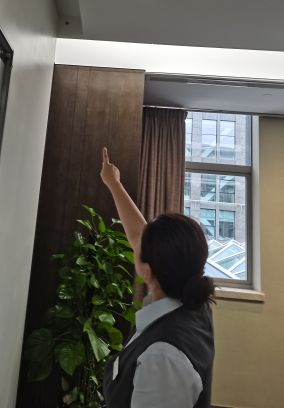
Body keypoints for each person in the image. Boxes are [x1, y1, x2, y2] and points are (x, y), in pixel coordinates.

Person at [100, 148, 215, 408]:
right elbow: (140, 236)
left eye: (139, 247)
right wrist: (113, 183)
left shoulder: (163, 357)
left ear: (147, 271)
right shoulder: (195, 305)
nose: (135, 242)